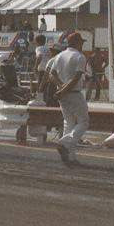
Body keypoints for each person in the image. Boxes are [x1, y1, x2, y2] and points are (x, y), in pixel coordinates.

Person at [50, 32, 89, 164]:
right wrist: (65, 89)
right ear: (78, 43)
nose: (82, 45)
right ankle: (64, 143)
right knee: (83, 122)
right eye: (82, 43)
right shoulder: (80, 57)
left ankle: (71, 157)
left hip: (62, 94)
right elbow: (76, 77)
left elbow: (52, 74)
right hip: (74, 93)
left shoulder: (60, 55)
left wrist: (60, 88)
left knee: (69, 123)